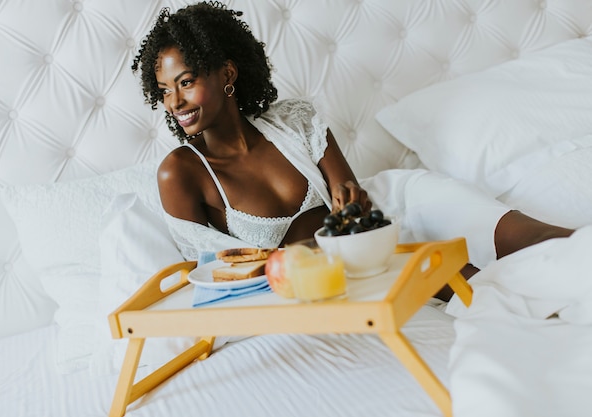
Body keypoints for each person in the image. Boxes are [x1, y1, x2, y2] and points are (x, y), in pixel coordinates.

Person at [132, 2, 574, 300]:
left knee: (541, 239)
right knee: (487, 295)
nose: (175, 102)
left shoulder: (294, 120)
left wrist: (351, 196)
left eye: (186, 82)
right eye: (165, 90)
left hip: (396, 208)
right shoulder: (182, 173)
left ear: (227, 73)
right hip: (355, 264)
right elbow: (216, 274)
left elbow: (347, 186)